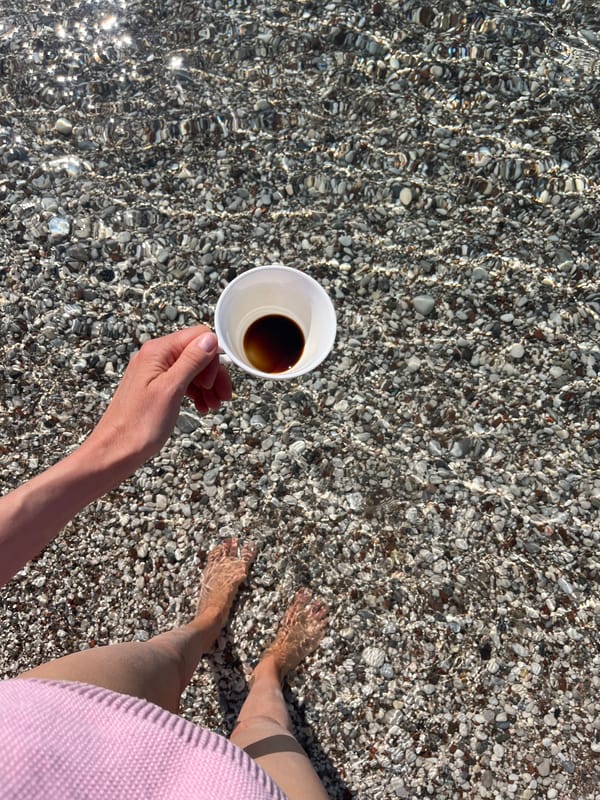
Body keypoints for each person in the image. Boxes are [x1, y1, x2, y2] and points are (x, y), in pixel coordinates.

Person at [0, 325, 329, 800]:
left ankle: (208, 623)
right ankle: (267, 676)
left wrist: (116, 444)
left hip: (38, 737)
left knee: (166, 655)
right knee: (263, 722)